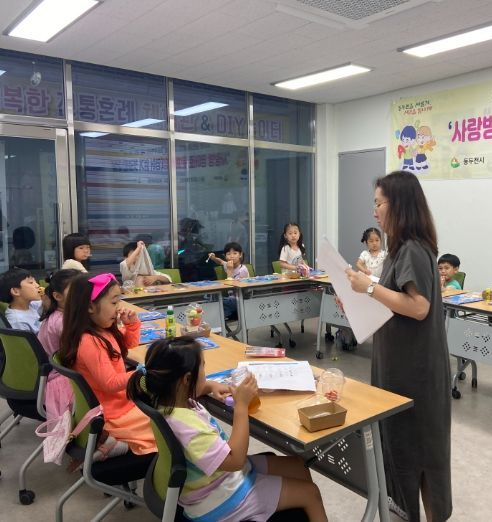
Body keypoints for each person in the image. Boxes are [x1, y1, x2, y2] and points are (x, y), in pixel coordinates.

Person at [345, 171, 451, 522]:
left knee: (422, 452)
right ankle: (404, 510)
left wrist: (369, 288)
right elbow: (395, 298)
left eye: (379, 203)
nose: (374, 211)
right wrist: (361, 295)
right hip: (399, 362)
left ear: (399, 204)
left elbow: (418, 307)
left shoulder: (413, 249)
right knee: (402, 447)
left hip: (415, 369)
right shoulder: (399, 249)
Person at [126, 337, 328, 521]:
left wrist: (209, 386)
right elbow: (236, 460)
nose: (205, 372)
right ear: (186, 380)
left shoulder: (163, 398)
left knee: (298, 466)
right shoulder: (188, 429)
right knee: (311, 493)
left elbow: (191, 388)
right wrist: (241, 406)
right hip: (219, 500)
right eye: (203, 367)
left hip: (214, 481)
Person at [58, 272, 156, 455]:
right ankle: (116, 443)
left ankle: (118, 444)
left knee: (167, 417)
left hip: (120, 405)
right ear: (90, 307)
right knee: (167, 426)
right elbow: (110, 383)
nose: (119, 308)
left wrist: (131, 325)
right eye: (114, 302)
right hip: (114, 414)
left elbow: (128, 345)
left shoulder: (101, 331)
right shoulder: (90, 342)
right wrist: (142, 373)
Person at [37, 269, 81, 421]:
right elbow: (81, 355)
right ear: (57, 296)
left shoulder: (55, 315)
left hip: (54, 375)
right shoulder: (64, 322)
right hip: (65, 381)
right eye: (76, 291)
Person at [208, 242, 250, 320]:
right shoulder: (228, 265)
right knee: (210, 297)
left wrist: (230, 270)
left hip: (241, 299)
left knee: (218, 303)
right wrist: (213, 258)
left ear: (240, 255)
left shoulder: (242, 270)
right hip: (230, 298)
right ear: (225, 256)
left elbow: (230, 287)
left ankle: (220, 318)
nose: (232, 256)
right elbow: (220, 261)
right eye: (228, 254)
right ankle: (222, 317)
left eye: (235, 253)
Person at [0, 267, 43, 332]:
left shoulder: (30, 305)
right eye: (31, 282)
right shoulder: (18, 321)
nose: (37, 285)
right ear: (15, 291)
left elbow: (49, 302)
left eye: (35, 281)